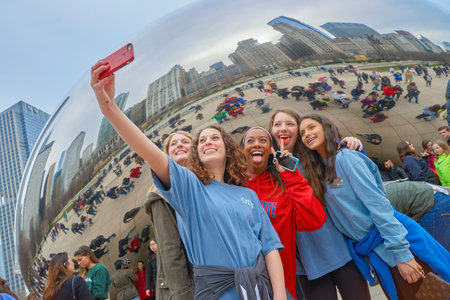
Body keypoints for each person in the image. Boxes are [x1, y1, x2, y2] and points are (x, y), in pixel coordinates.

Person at [91, 61, 285, 300]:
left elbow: (270, 248)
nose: (208, 142)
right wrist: (109, 108)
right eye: (201, 140)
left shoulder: (247, 195)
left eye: (215, 137)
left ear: (227, 148)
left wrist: (280, 296)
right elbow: (148, 150)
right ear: (196, 154)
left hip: (263, 289)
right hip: (219, 293)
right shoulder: (189, 189)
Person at [297, 114, 450, 300]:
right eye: (302, 132)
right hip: (377, 251)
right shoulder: (321, 171)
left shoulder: (346, 159)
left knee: (434, 294)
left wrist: (402, 254)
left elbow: (379, 206)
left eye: (312, 127)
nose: (307, 134)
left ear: (326, 128)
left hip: (396, 243)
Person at [269, 109, 370, 300]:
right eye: (277, 124)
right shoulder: (268, 167)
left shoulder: (313, 157)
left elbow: (340, 181)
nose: (283, 128)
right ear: (271, 131)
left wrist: (351, 145)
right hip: (307, 266)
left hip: (342, 252)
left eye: (290, 124)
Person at [241, 126, 327, 299]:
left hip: (282, 286)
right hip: (242, 284)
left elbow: (314, 220)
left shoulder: (282, 185)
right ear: (242, 150)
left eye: (263, 140)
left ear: (271, 150)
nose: (257, 144)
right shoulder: (232, 185)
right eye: (250, 140)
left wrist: (291, 175)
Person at [144, 131, 194, 300]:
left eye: (185, 141)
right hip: (188, 286)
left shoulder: (206, 182)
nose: (179, 144)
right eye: (173, 144)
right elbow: (170, 250)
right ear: (166, 155)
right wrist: (184, 295)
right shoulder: (160, 194)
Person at [383, 180, 450, 251]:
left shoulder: (379, 203)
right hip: (437, 198)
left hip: (434, 204)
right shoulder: (379, 191)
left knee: (435, 252)